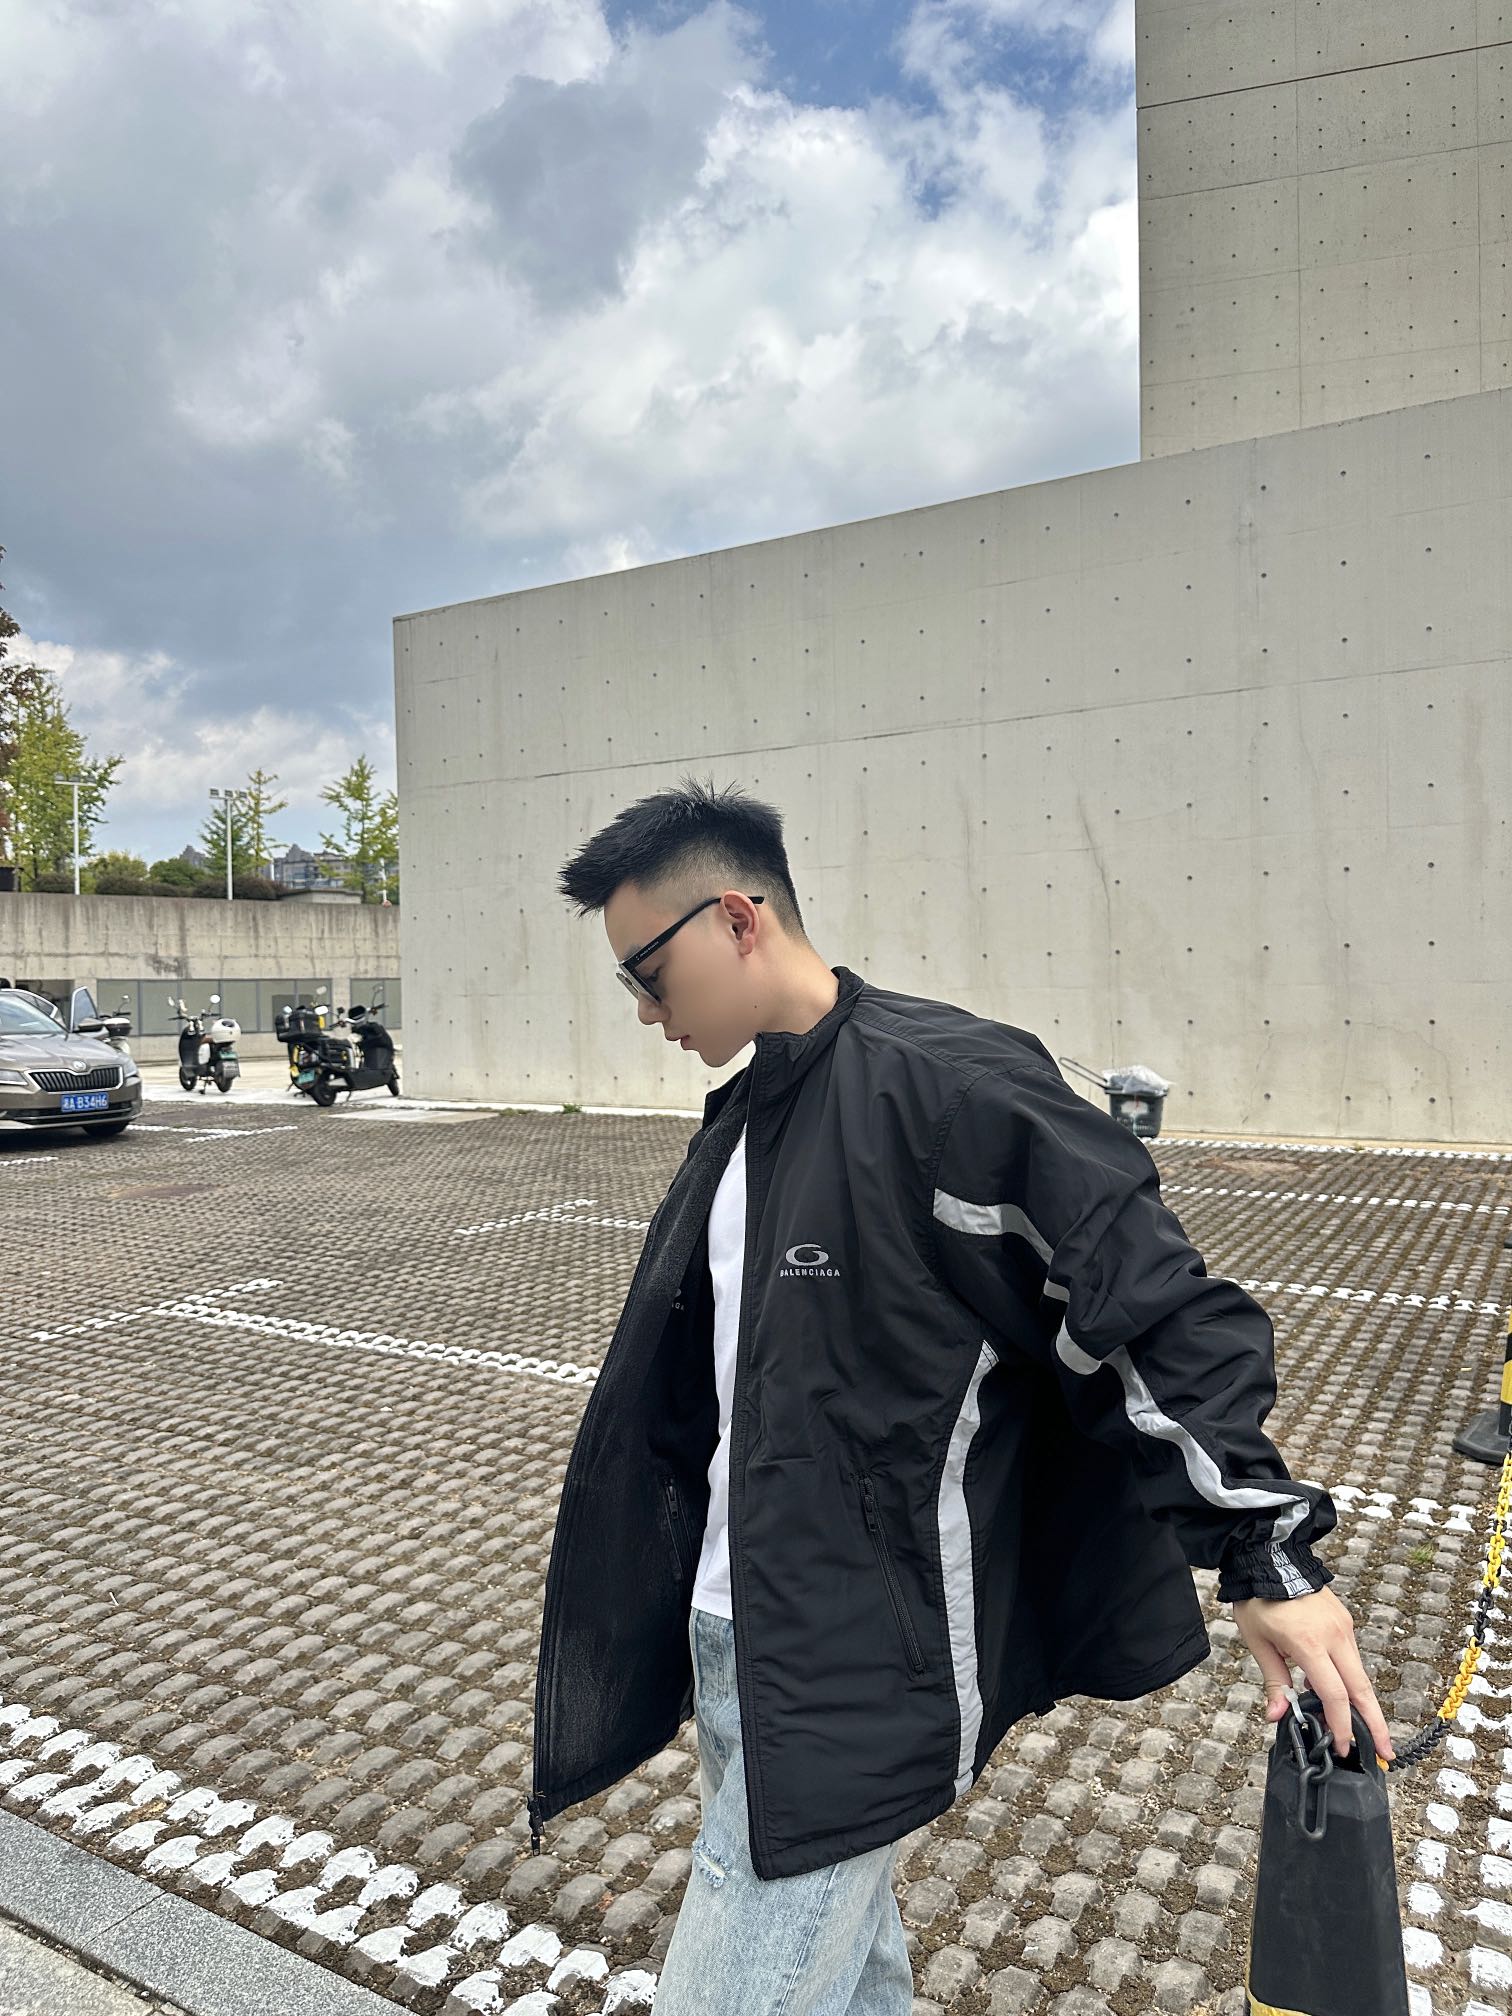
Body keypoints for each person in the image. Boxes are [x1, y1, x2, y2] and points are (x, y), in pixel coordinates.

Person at [530, 775, 1394, 2016]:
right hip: (734, 1634)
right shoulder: (754, 1111)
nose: (644, 1011)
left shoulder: (950, 1089)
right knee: (850, 1977)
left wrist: (1264, 1551)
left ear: (736, 919)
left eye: (648, 974)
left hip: (857, 1653)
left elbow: (1148, 1306)